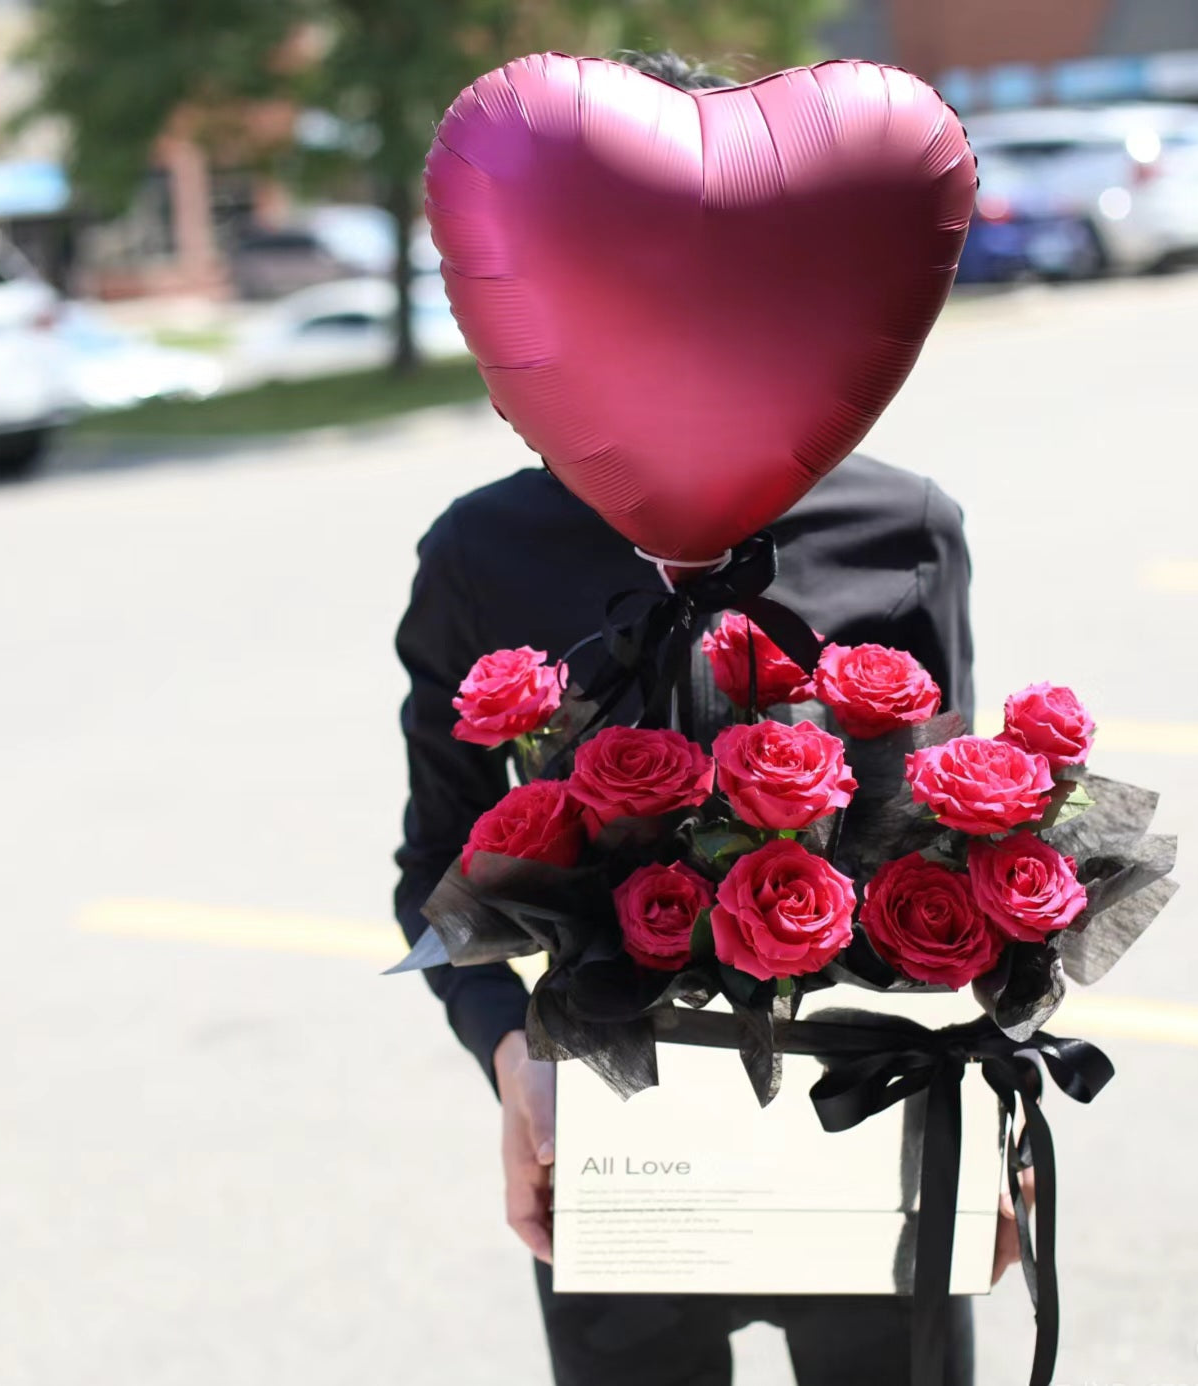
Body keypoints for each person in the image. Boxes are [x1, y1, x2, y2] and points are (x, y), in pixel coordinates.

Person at [395, 50, 1011, 1386]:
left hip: (865, 1115)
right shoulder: (481, 556)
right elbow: (434, 870)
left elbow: (951, 845)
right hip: (615, 1135)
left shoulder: (901, 529)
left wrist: (990, 1106)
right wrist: (510, 1058)